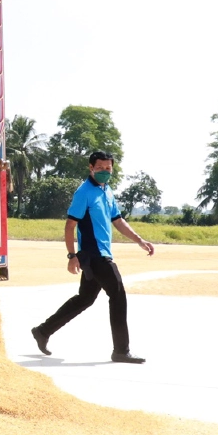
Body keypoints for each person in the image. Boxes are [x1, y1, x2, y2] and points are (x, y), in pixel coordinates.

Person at [31, 150, 155, 363]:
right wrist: (72, 255)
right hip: (94, 254)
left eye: (108, 168)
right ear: (91, 168)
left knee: (85, 298)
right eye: (100, 168)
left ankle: (43, 331)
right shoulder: (84, 192)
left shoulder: (107, 190)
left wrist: (139, 240)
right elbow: (70, 225)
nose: (105, 171)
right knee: (118, 295)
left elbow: (118, 221)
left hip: (102, 252)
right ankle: (121, 350)